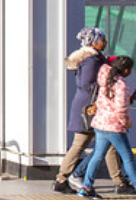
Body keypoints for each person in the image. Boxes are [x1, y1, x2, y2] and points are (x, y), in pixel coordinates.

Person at [53, 27, 132, 194]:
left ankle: (119, 182)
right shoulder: (91, 62)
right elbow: (86, 85)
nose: (105, 42)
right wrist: (101, 100)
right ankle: (62, 179)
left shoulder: (95, 59)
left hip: (94, 109)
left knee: (107, 145)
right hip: (88, 110)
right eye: (102, 40)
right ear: (94, 42)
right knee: (80, 145)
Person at [79, 56, 136, 199]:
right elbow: (121, 109)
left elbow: (105, 102)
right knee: (128, 158)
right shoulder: (121, 85)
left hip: (101, 124)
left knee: (97, 156)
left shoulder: (105, 80)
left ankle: (86, 187)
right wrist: (126, 122)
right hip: (114, 127)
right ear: (126, 70)